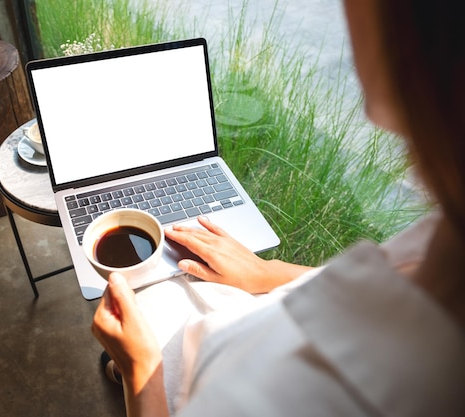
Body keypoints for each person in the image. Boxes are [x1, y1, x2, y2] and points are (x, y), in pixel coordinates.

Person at [91, 0, 465, 416]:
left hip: (194, 375)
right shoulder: (445, 231)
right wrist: (266, 273)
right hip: (247, 318)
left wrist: (141, 374)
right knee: (175, 286)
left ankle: (117, 371)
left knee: (156, 300)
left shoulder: (272, 395)